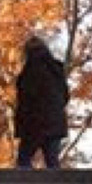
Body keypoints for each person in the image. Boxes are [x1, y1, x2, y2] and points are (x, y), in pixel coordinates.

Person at [14, 35, 69, 169]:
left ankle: (25, 183)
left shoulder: (28, 73)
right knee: (52, 161)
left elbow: (24, 102)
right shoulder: (56, 70)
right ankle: (56, 183)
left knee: (23, 160)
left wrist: (20, 126)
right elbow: (65, 96)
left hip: (33, 123)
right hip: (55, 122)